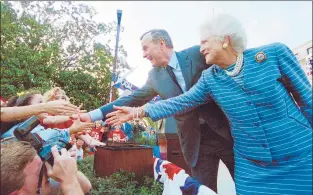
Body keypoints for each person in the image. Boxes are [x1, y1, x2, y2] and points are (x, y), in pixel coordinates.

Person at [107, 14, 313, 195]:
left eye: (205, 42)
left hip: (301, 155)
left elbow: (308, 101)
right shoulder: (210, 79)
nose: (201, 48)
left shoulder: (274, 54)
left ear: (225, 40)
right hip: (252, 167)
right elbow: (181, 102)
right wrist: (139, 111)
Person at [81, 29, 234, 191]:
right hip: (195, 144)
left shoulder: (197, 54)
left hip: (226, 134)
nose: (143, 55)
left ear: (161, 43)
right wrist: (91, 116)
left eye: (145, 48)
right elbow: (131, 99)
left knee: (249, 185)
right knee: (203, 191)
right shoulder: (155, 76)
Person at [1, 140, 91, 195]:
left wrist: (68, 173)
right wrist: (70, 183)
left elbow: (85, 186)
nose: (47, 172)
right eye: (40, 172)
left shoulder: (33, 188)